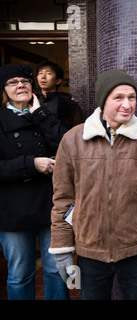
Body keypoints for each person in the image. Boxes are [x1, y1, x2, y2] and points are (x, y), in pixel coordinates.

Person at [49, 69, 137, 300]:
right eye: (118, 97)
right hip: (90, 252)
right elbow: (63, 200)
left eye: (132, 98)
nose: (127, 104)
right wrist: (62, 250)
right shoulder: (73, 141)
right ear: (102, 100)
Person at [0, 64, 69, 300]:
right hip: (12, 210)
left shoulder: (45, 115)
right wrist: (32, 164)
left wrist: (41, 116)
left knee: (56, 269)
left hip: (49, 205)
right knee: (20, 273)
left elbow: (67, 147)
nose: (20, 85)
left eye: (25, 81)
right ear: (4, 90)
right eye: (13, 82)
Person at [35, 60, 84, 129]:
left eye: (48, 73)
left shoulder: (70, 105)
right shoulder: (30, 101)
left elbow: (78, 132)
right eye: (40, 73)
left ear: (58, 81)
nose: (43, 77)